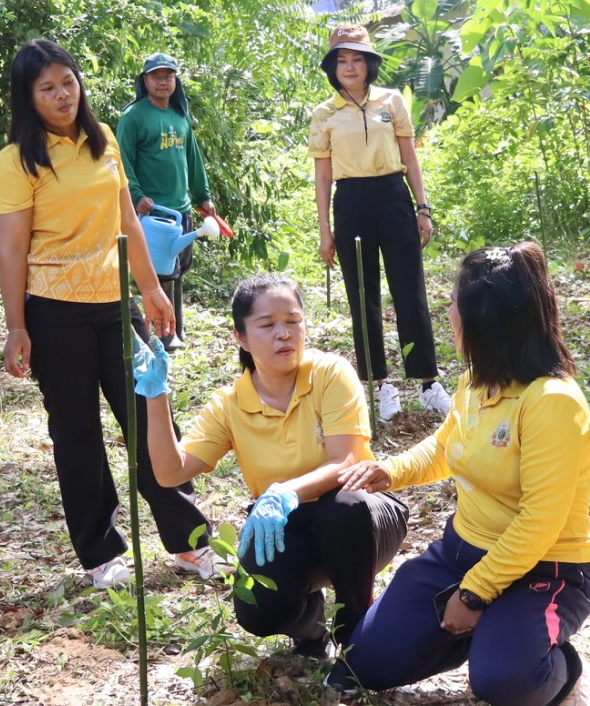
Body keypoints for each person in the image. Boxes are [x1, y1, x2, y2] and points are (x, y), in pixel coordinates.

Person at [332, 243, 590, 706]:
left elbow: (539, 521)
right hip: (460, 552)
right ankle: (493, 633)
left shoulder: (552, 402)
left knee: (504, 680)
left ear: (486, 317)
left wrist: (475, 593)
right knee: (364, 662)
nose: (448, 312)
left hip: (545, 570)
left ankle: (566, 674)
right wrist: (389, 471)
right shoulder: (476, 382)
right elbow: (447, 445)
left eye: (454, 302)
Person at [0, 38, 215, 589]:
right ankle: (100, 552)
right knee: (78, 435)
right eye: (47, 88)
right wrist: (16, 326)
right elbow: (12, 247)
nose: (62, 95)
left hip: (116, 306)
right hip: (53, 312)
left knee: (150, 415)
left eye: (67, 82)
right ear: (28, 97)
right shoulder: (17, 160)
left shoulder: (104, 140)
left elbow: (128, 222)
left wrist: (152, 289)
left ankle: (188, 542)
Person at [136, 275, 409, 657]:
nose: (284, 334)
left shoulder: (330, 374)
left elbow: (345, 461)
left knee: (342, 508)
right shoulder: (230, 404)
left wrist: (284, 491)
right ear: (241, 338)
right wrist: (155, 395)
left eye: (293, 321)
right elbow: (170, 473)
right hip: (284, 524)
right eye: (267, 325)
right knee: (259, 610)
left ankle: (356, 637)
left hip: (364, 518)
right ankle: (312, 629)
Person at [310, 24, 452, 423]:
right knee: (362, 294)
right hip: (351, 202)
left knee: (410, 291)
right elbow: (323, 176)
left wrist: (423, 208)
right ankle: (380, 384)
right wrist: (325, 230)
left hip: (393, 197)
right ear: (332, 67)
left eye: (357, 59)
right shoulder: (324, 114)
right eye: (341, 60)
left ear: (369, 64)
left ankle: (427, 382)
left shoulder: (391, 101)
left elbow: (409, 157)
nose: (349, 67)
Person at [120, 53, 215, 352]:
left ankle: (176, 331)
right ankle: (163, 337)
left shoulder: (179, 115)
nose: (163, 82)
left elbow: (193, 159)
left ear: (175, 80)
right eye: (156, 76)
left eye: (168, 76)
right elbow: (122, 161)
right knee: (160, 273)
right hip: (154, 213)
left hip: (180, 208)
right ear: (145, 80)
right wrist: (137, 196)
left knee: (178, 269)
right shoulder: (134, 117)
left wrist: (203, 196)